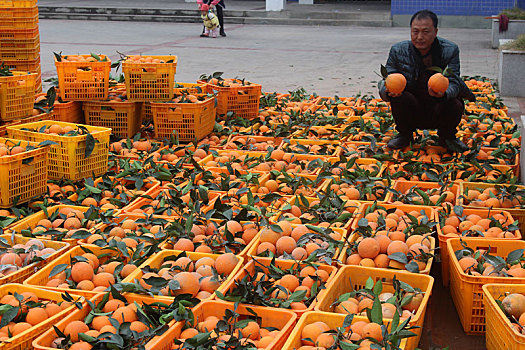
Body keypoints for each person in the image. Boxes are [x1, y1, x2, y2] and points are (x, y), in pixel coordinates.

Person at [378, 9, 475, 152]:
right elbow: (387, 77)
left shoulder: (450, 50)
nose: (419, 37)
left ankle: (447, 137)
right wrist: (387, 91)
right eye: (415, 31)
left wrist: (444, 94)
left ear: (435, 32)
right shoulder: (398, 50)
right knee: (400, 98)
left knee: (455, 102)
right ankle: (405, 135)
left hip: (438, 106)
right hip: (413, 105)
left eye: (425, 32)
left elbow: (454, 81)